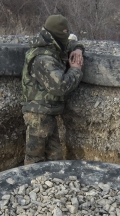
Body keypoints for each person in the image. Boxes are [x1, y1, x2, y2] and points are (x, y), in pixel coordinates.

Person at [21, 14, 84, 165]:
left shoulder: (50, 43)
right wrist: (75, 70)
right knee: (34, 162)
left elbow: (69, 43)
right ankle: (31, 186)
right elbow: (60, 86)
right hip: (38, 116)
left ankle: (52, 186)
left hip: (47, 113)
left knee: (55, 159)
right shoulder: (43, 59)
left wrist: (78, 49)